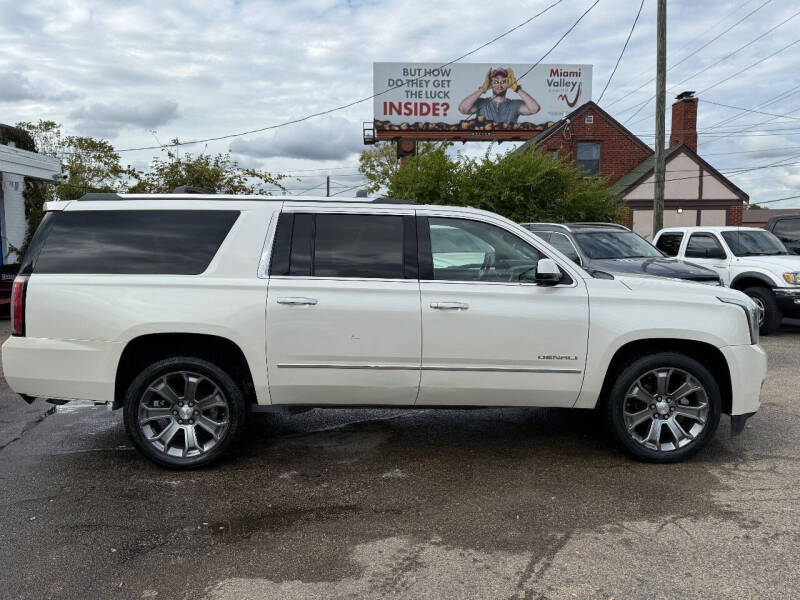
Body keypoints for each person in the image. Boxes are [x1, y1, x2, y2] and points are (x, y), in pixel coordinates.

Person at [458, 67, 541, 123]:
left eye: (503, 82)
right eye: (496, 82)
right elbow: (463, 109)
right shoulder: (482, 103)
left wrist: (517, 89)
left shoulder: (514, 105)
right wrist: (482, 89)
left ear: (509, 84)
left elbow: (535, 109)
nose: (499, 85)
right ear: (490, 84)